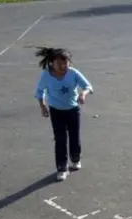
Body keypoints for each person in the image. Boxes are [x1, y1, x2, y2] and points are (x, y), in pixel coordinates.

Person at [34, 47, 93, 181]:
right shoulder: (46, 75)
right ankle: (61, 168)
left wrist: (83, 94)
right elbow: (39, 92)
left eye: (65, 63)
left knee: (74, 137)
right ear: (51, 63)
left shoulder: (73, 73)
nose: (62, 66)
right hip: (56, 111)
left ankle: (75, 158)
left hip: (73, 110)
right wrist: (43, 107)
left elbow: (88, 86)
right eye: (59, 64)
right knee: (60, 139)